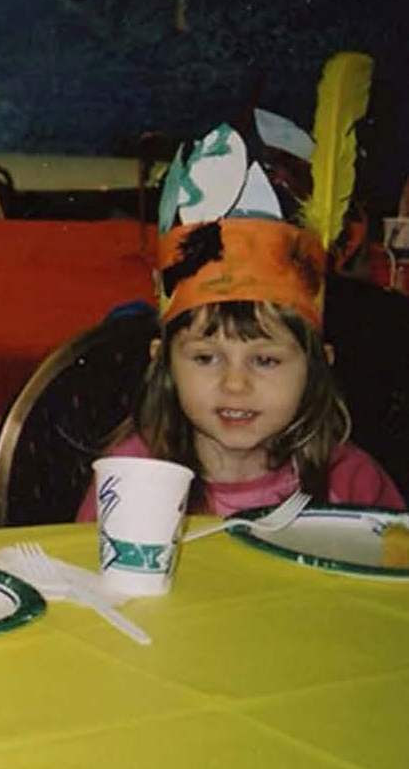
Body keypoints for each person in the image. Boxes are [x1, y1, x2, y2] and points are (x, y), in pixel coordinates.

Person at [77, 111, 404, 521]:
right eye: (205, 357)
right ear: (163, 359)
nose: (235, 384)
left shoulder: (352, 484)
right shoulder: (132, 478)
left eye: (265, 359)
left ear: (319, 365)